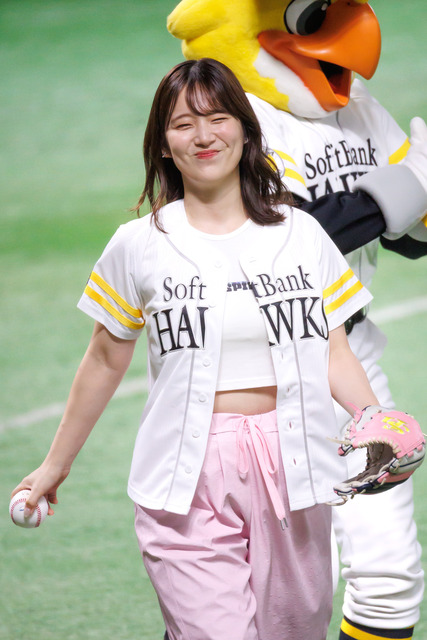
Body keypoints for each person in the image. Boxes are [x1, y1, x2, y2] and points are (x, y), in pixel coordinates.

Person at [13, 58, 385, 640]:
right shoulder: (138, 245)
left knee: (294, 629)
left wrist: (377, 422)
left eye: (217, 118)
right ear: (163, 144)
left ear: (245, 129)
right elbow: (105, 358)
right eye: (183, 124)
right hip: (184, 476)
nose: (204, 135)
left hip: (296, 465)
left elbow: (332, 349)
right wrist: (54, 465)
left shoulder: (302, 235)